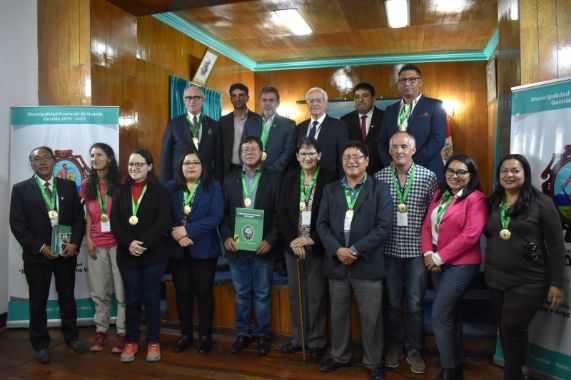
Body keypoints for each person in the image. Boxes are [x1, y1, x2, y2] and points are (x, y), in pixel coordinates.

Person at [317, 141, 392, 380]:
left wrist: (356, 250)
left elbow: (383, 227)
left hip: (367, 263)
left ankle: (373, 362)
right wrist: (338, 250)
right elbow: (322, 225)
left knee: (371, 317)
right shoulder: (330, 190)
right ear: (341, 162)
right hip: (337, 262)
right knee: (338, 315)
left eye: (357, 156)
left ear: (367, 161)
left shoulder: (379, 189)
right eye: (347, 157)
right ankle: (340, 356)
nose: (351, 161)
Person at [485, 154, 564, 380]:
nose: (509, 175)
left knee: (512, 327)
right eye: (504, 171)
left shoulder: (541, 203)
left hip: (529, 280)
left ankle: (512, 375)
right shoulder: (493, 202)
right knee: (505, 328)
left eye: (515, 171)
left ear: (525, 174)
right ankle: (516, 372)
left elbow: (557, 246)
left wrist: (556, 283)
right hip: (495, 279)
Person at [9, 146, 86, 363]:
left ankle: (72, 338)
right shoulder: (21, 189)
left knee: (67, 298)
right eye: (37, 159)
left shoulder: (69, 186)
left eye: (46, 158)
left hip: (66, 254)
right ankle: (40, 344)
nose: (42, 162)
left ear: (54, 161)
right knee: (38, 302)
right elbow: (17, 225)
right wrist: (41, 247)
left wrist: (74, 243)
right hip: (37, 256)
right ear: (31, 163)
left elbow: (79, 219)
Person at [375, 132, 437, 374]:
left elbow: (435, 218)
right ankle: (394, 347)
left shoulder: (428, 177)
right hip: (388, 251)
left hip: (416, 253)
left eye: (404, 146)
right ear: (389, 151)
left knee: (415, 303)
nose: (399, 150)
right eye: (395, 147)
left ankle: (414, 349)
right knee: (391, 302)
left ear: (413, 149)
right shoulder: (379, 177)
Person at [421, 153, 488, 380]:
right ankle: (457, 361)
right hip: (437, 262)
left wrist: (439, 258)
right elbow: (426, 226)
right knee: (452, 313)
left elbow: (470, 236)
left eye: (461, 172)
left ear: (471, 175)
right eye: (451, 171)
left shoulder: (476, 198)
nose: (455, 176)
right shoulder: (440, 194)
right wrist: (429, 253)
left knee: (440, 313)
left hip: (461, 265)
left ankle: (449, 369)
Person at [220, 136, 281, 356]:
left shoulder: (274, 179)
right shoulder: (230, 179)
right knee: (241, 293)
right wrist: (226, 236)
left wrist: (270, 240)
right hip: (237, 248)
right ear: (240, 153)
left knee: (263, 294)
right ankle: (243, 333)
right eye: (244, 149)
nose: (248, 153)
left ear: (261, 152)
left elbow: (280, 215)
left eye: (253, 149)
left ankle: (263, 334)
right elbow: (223, 213)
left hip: (262, 248)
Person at [276, 137, 335, 361]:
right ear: (297, 157)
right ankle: (298, 339)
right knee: (295, 294)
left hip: (317, 246)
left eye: (311, 153)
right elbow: (280, 212)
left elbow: (332, 215)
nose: (307, 157)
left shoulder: (330, 178)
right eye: (303, 154)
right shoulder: (289, 178)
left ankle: (317, 341)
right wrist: (294, 241)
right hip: (292, 246)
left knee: (316, 295)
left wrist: (312, 240)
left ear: (319, 155)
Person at [110, 149, 171, 363]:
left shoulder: (160, 191)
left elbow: (163, 221)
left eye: (139, 164)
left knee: (152, 300)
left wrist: (142, 244)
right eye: (131, 164)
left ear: (150, 166)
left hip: (153, 255)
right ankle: (132, 340)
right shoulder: (119, 190)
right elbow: (115, 222)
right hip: (127, 255)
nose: (134, 168)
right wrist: (129, 244)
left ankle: (154, 341)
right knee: (133, 300)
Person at [166, 151, 223, 355]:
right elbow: (164, 215)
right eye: (186, 162)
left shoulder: (213, 187)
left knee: (204, 293)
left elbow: (216, 217)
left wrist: (188, 231)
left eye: (195, 162)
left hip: (205, 249)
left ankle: (205, 337)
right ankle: (185, 335)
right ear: (180, 167)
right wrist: (179, 235)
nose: (191, 166)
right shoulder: (171, 188)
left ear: (203, 166)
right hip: (177, 250)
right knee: (182, 293)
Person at [80, 143, 126, 353]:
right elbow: (88, 214)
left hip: (119, 245)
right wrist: (88, 238)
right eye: (92, 156)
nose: (94, 159)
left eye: (99, 155)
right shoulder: (87, 184)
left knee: (122, 292)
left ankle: (123, 333)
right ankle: (101, 332)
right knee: (99, 292)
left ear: (109, 158)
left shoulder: (122, 182)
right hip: (97, 244)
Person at [377, 64, 446, 181]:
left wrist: (411, 164)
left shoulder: (435, 105)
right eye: (403, 80)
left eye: (412, 79)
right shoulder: (390, 110)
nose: (407, 83)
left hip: (427, 170)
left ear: (421, 82)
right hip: (395, 173)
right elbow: (381, 141)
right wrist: (392, 164)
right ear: (398, 84)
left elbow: (438, 139)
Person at [160, 85, 221, 183]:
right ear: (184, 100)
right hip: (179, 180)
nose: (192, 100)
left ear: (203, 100)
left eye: (196, 97)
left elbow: (218, 159)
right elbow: (165, 156)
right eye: (188, 97)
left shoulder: (214, 125)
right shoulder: (174, 124)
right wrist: (164, 184)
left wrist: (218, 183)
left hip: (205, 180)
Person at [294, 87, 349, 176]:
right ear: (307, 104)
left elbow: (343, 157)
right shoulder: (299, 127)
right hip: (303, 180)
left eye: (319, 100)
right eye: (311, 101)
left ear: (326, 104)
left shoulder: (339, 126)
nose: (315, 104)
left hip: (329, 180)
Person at [242, 86, 295, 173]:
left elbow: (288, 152)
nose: (267, 103)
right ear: (260, 102)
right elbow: (242, 147)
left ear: (278, 103)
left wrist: (270, 170)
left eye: (271, 100)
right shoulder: (249, 123)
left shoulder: (288, 125)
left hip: (276, 174)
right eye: (264, 100)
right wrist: (249, 166)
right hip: (252, 173)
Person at [341, 82, 384, 175]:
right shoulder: (345, 120)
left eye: (365, 96)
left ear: (373, 98)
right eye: (357, 97)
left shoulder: (385, 117)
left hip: (381, 170)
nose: (360, 100)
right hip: (354, 172)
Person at [220, 83, 259, 181]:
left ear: (247, 98)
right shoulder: (223, 121)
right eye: (234, 96)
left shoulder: (258, 120)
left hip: (252, 169)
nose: (237, 99)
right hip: (229, 170)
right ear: (230, 99)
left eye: (241, 95)